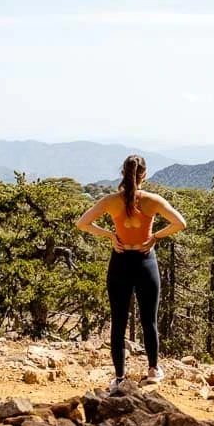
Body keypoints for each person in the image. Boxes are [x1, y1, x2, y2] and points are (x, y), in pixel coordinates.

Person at [76, 155, 187, 392]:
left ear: (123, 174)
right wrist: (155, 237)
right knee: (149, 321)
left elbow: (82, 223)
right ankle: (153, 370)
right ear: (144, 175)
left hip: (120, 262)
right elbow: (180, 223)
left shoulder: (110, 201)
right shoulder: (152, 201)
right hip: (145, 261)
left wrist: (110, 236)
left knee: (118, 322)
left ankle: (119, 378)